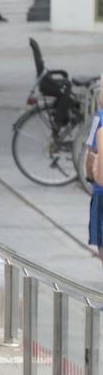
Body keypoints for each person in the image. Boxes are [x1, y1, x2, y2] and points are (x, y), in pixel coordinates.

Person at [86, 108, 103, 265]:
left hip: (101, 189)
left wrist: (89, 176)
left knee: (101, 235)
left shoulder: (99, 117)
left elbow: (90, 152)